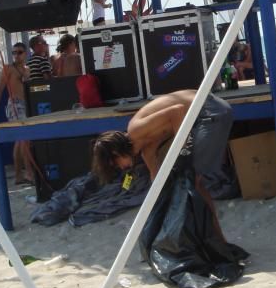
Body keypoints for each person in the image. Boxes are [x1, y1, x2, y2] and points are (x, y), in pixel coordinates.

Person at [91, 90, 233, 235]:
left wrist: (184, 147)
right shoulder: (146, 150)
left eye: (116, 164)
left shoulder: (136, 130)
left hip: (210, 110)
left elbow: (177, 111)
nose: (121, 167)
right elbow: (156, 179)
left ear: (116, 152)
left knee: (192, 179)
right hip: (204, 112)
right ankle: (214, 235)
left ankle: (214, 235)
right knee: (192, 182)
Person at [0, 42, 32, 184]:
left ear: (25, 53)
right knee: (24, 139)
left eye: (19, 52)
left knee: (20, 141)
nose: (16, 55)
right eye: (14, 52)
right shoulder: (8, 69)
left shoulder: (27, 70)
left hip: (25, 106)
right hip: (15, 105)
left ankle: (18, 175)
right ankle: (29, 173)